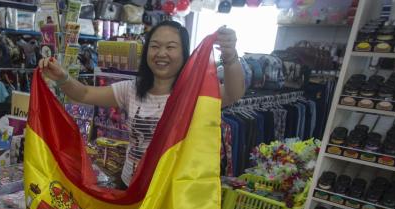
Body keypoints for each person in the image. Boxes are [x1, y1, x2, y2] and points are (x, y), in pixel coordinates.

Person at [39, 21, 245, 187]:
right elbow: (84, 93)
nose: (161, 53)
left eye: (170, 47)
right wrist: (62, 77)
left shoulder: (195, 93)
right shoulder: (131, 89)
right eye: (154, 46)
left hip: (172, 193)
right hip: (133, 186)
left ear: (184, 54)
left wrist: (229, 56)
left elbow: (233, 93)